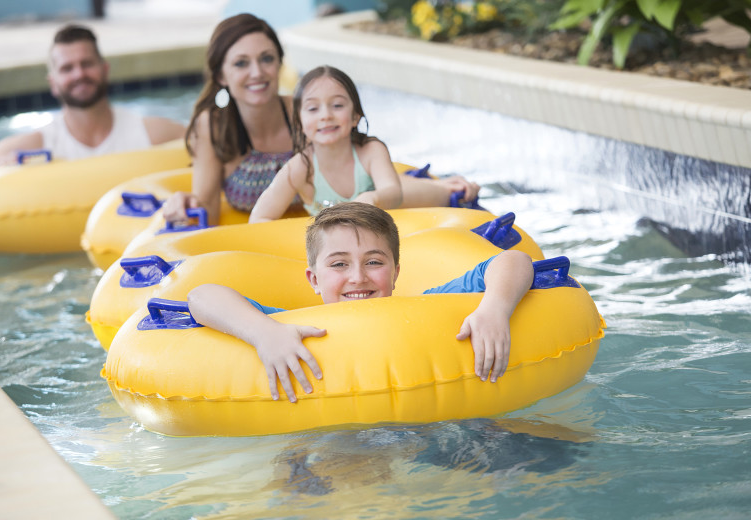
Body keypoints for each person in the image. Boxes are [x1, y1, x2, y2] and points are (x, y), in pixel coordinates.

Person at [189, 202, 534, 403]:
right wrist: (263, 334)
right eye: (339, 264)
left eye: (374, 262)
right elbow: (200, 296)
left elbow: (515, 260)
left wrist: (494, 308)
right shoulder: (289, 328)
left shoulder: (426, 309)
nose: (358, 277)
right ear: (314, 279)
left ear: (396, 272)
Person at [162, 13, 480, 227]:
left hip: (340, 209)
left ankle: (449, 192)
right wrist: (184, 205)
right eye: (241, 63)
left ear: (279, 64)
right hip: (293, 229)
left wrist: (431, 188)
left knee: (380, 192)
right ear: (220, 74)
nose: (257, 72)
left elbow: (360, 170)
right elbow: (208, 212)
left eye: (266, 59)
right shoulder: (213, 127)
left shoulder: (308, 112)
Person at [0, 24, 186, 206]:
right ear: (53, 83)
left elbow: (213, 149)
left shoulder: (152, 133)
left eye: (87, 63)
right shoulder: (36, 145)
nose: (79, 74)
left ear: (105, 70)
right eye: (67, 68)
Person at [249, 65, 403, 221]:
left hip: (394, 208)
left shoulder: (370, 151)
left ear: (356, 115)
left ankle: (426, 185)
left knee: (420, 191)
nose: (325, 115)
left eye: (337, 105)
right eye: (313, 108)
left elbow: (395, 194)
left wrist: (373, 197)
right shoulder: (300, 167)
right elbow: (259, 217)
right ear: (299, 122)